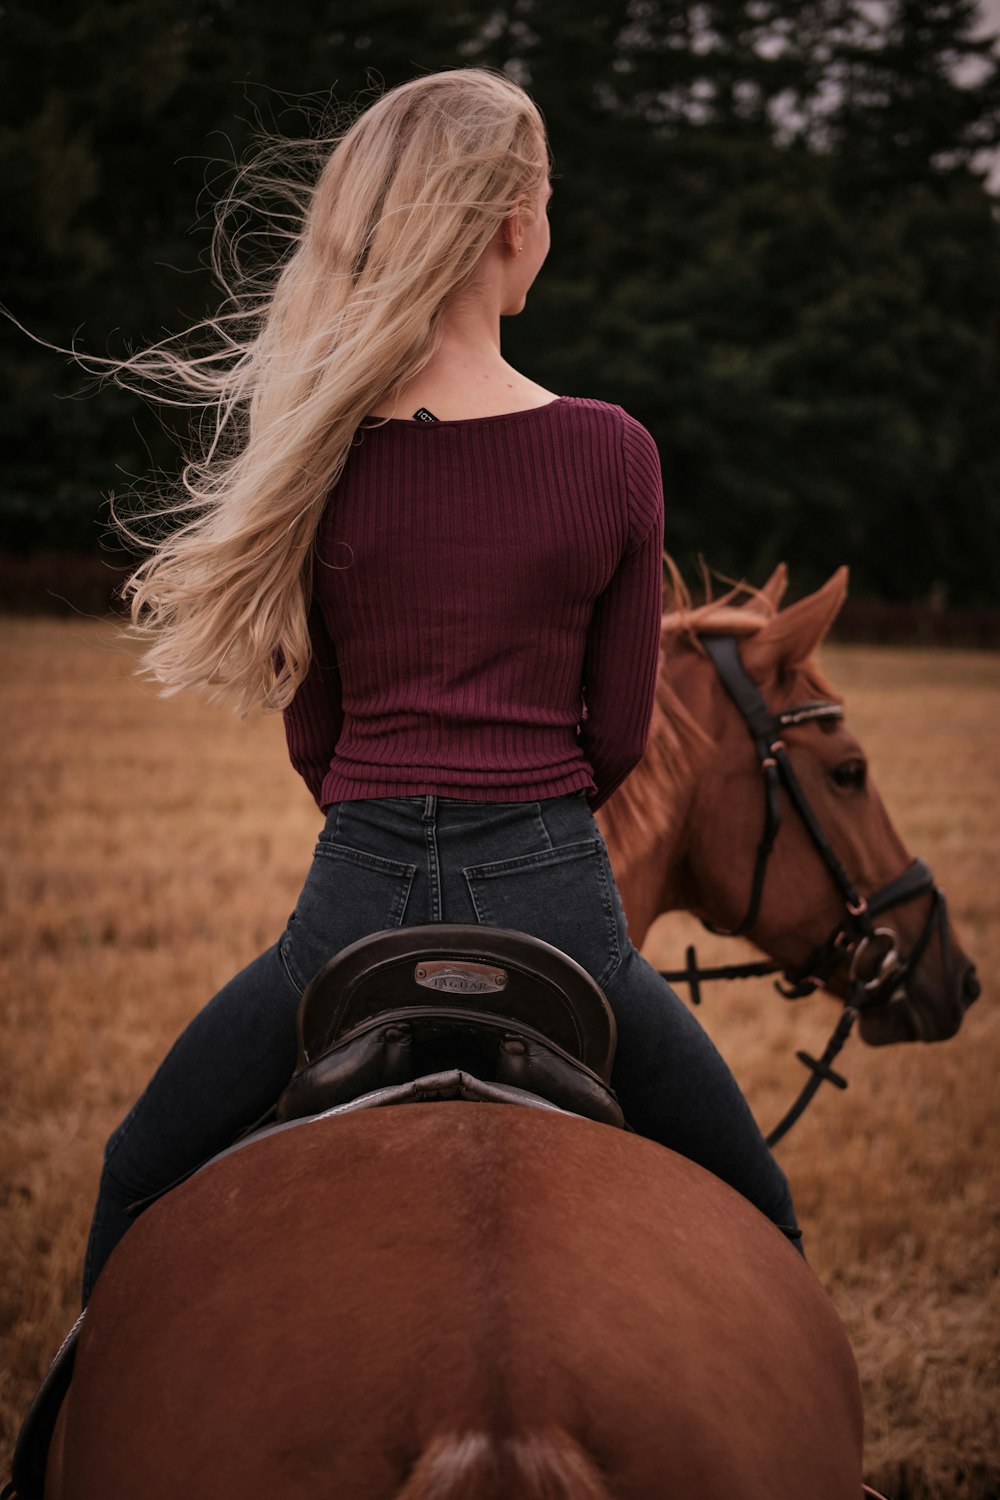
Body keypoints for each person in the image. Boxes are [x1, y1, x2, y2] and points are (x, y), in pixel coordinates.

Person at [83, 67, 799, 1302]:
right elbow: (619, 735)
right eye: (550, 205)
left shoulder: (319, 449)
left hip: (352, 906)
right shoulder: (613, 451)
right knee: (764, 1214)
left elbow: (317, 739)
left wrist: (388, 815)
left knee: (138, 1171)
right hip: (560, 911)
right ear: (515, 222)